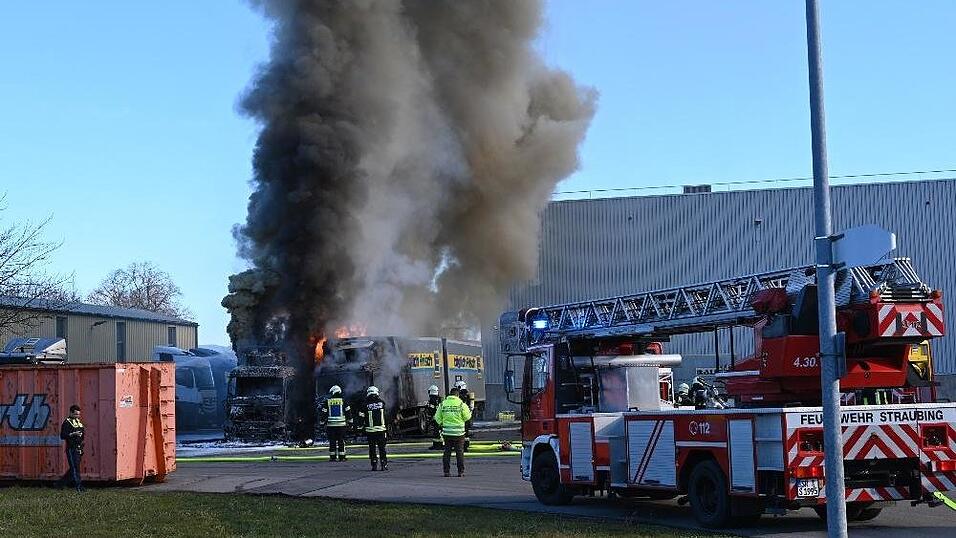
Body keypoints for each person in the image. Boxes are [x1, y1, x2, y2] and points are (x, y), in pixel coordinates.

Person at [435, 386, 472, 477]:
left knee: (447, 452)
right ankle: (460, 472)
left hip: (447, 433)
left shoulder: (443, 404)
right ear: (457, 395)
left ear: (450, 395)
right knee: (459, 452)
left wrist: (442, 424)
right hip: (459, 433)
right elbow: (467, 417)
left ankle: (446, 472)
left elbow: (437, 417)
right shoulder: (461, 404)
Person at [359, 385, 388, 471]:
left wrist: (360, 427)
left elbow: (361, 417)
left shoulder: (365, 405)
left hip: (370, 431)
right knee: (382, 448)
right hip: (381, 430)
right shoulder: (382, 403)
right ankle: (383, 464)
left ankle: (374, 464)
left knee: (372, 448)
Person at [319, 385, 350, 461]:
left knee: (332, 441)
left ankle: (332, 457)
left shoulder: (328, 401)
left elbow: (324, 413)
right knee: (341, 441)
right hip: (341, 425)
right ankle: (342, 457)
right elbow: (348, 412)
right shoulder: (343, 401)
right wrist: (350, 422)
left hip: (331, 425)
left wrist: (322, 422)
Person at [59, 404, 85, 492]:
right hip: (71, 448)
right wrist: (72, 434)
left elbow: (82, 434)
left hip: (79, 448)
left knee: (74, 468)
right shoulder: (67, 422)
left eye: (78, 414)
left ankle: (59, 484)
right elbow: (62, 435)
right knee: (75, 468)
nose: (77, 416)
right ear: (71, 413)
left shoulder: (78, 422)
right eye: (76, 414)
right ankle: (79, 487)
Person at [455, 380, 475, 450]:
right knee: (466, 432)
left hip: (461, 417)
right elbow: (471, 407)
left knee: (461, 432)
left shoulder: (461, 396)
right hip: (466, 416)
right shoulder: (468, 395)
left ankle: (461, 446)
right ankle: (466, 446)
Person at [426, 385, 444, 450]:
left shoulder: (432, 400)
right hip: (440, 418)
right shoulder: (440, 399)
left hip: (437, 418)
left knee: (438, 432)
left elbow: (431, 409)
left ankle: (439, 445)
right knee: (437, 432)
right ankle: (437, 445)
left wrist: (432, 416)